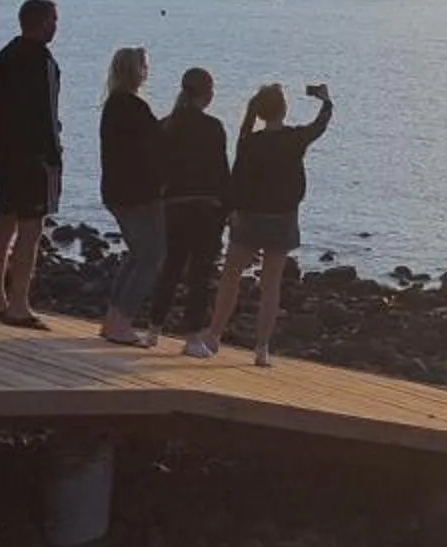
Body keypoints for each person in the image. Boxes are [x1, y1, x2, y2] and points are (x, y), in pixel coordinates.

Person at [193, 81, 332, 366]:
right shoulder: (294, 138)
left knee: (230, 277)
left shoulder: (250, 141)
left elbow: (237, 181)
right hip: (283, 218)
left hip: (250, 218)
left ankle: (215, 334)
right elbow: (319, 126)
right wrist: (326, 101)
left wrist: (231, 211)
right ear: (284, 109)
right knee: (271, 284)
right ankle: (262, 347)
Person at [0, 0, 61, 330]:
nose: (56, 26)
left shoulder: (5, 56)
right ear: (42, 22)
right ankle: (18, 303)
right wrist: (53, 154)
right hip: (33, 154)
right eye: (53, 20)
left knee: (5, 222)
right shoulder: (40, 60)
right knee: (31, 228)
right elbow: (46, 110)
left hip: (6, 152)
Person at [151, 66, 230, 338]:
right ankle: (193, 334)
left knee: (170, 268)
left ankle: (154, 327)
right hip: (206, 207)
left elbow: (157, 169)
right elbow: (222, 172)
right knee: (201, 274)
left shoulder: (165, 125)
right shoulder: (213, 128)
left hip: (173, 206)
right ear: (207, 94)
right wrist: (228, 209)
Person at [96, 45, 166, 348]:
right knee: (152, 257)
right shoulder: (132, 107)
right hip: (137, 193)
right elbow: (154, 145)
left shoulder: (114, 105)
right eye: (143, 66)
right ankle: (122, 321)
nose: (146, 72)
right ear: (135, 71)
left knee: (138, 254)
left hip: (117, 190)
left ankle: (113, 318)